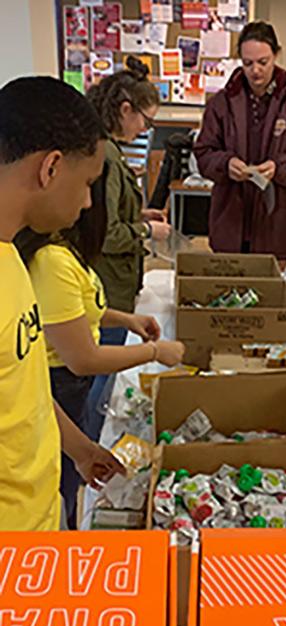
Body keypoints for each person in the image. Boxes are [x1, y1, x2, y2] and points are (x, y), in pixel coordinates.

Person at [15, 181, 185, 528]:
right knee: (62, 484)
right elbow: (83, 357)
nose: (91, 200)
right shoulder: (50, 260)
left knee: (70, 476)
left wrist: (125, 319)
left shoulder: (63, 250)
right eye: (87, 185)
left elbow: (74, 310)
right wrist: (153, 351)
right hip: (61, 382)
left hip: (63, 393)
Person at [0, 76, 122, 531]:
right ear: (50, 168)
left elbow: (23, 388)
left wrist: (80, 448)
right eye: (87, 182)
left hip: (43, 523)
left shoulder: (11, 253)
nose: (90, 201)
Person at [86, 56, 170, 439]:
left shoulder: (110, 153)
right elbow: (105, 232)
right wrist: (147, 231)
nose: (144, 129)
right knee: (100, 380)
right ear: (125, 109)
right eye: (144, 120)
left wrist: (141, 213)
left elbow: (116, 211)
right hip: (109, 284)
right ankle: (93, 439)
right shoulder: (104, 157)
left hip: (117, 284)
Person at [194, 21, 286, 269]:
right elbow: (203, 153)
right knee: (228, 298)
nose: (255, 71)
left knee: (268, 301)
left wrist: (279, 167)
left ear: (276, 55)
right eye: (247, 63)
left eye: (263, 62)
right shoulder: (221, 103)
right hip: (230, 223)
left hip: (275, 224)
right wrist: (225, 163)